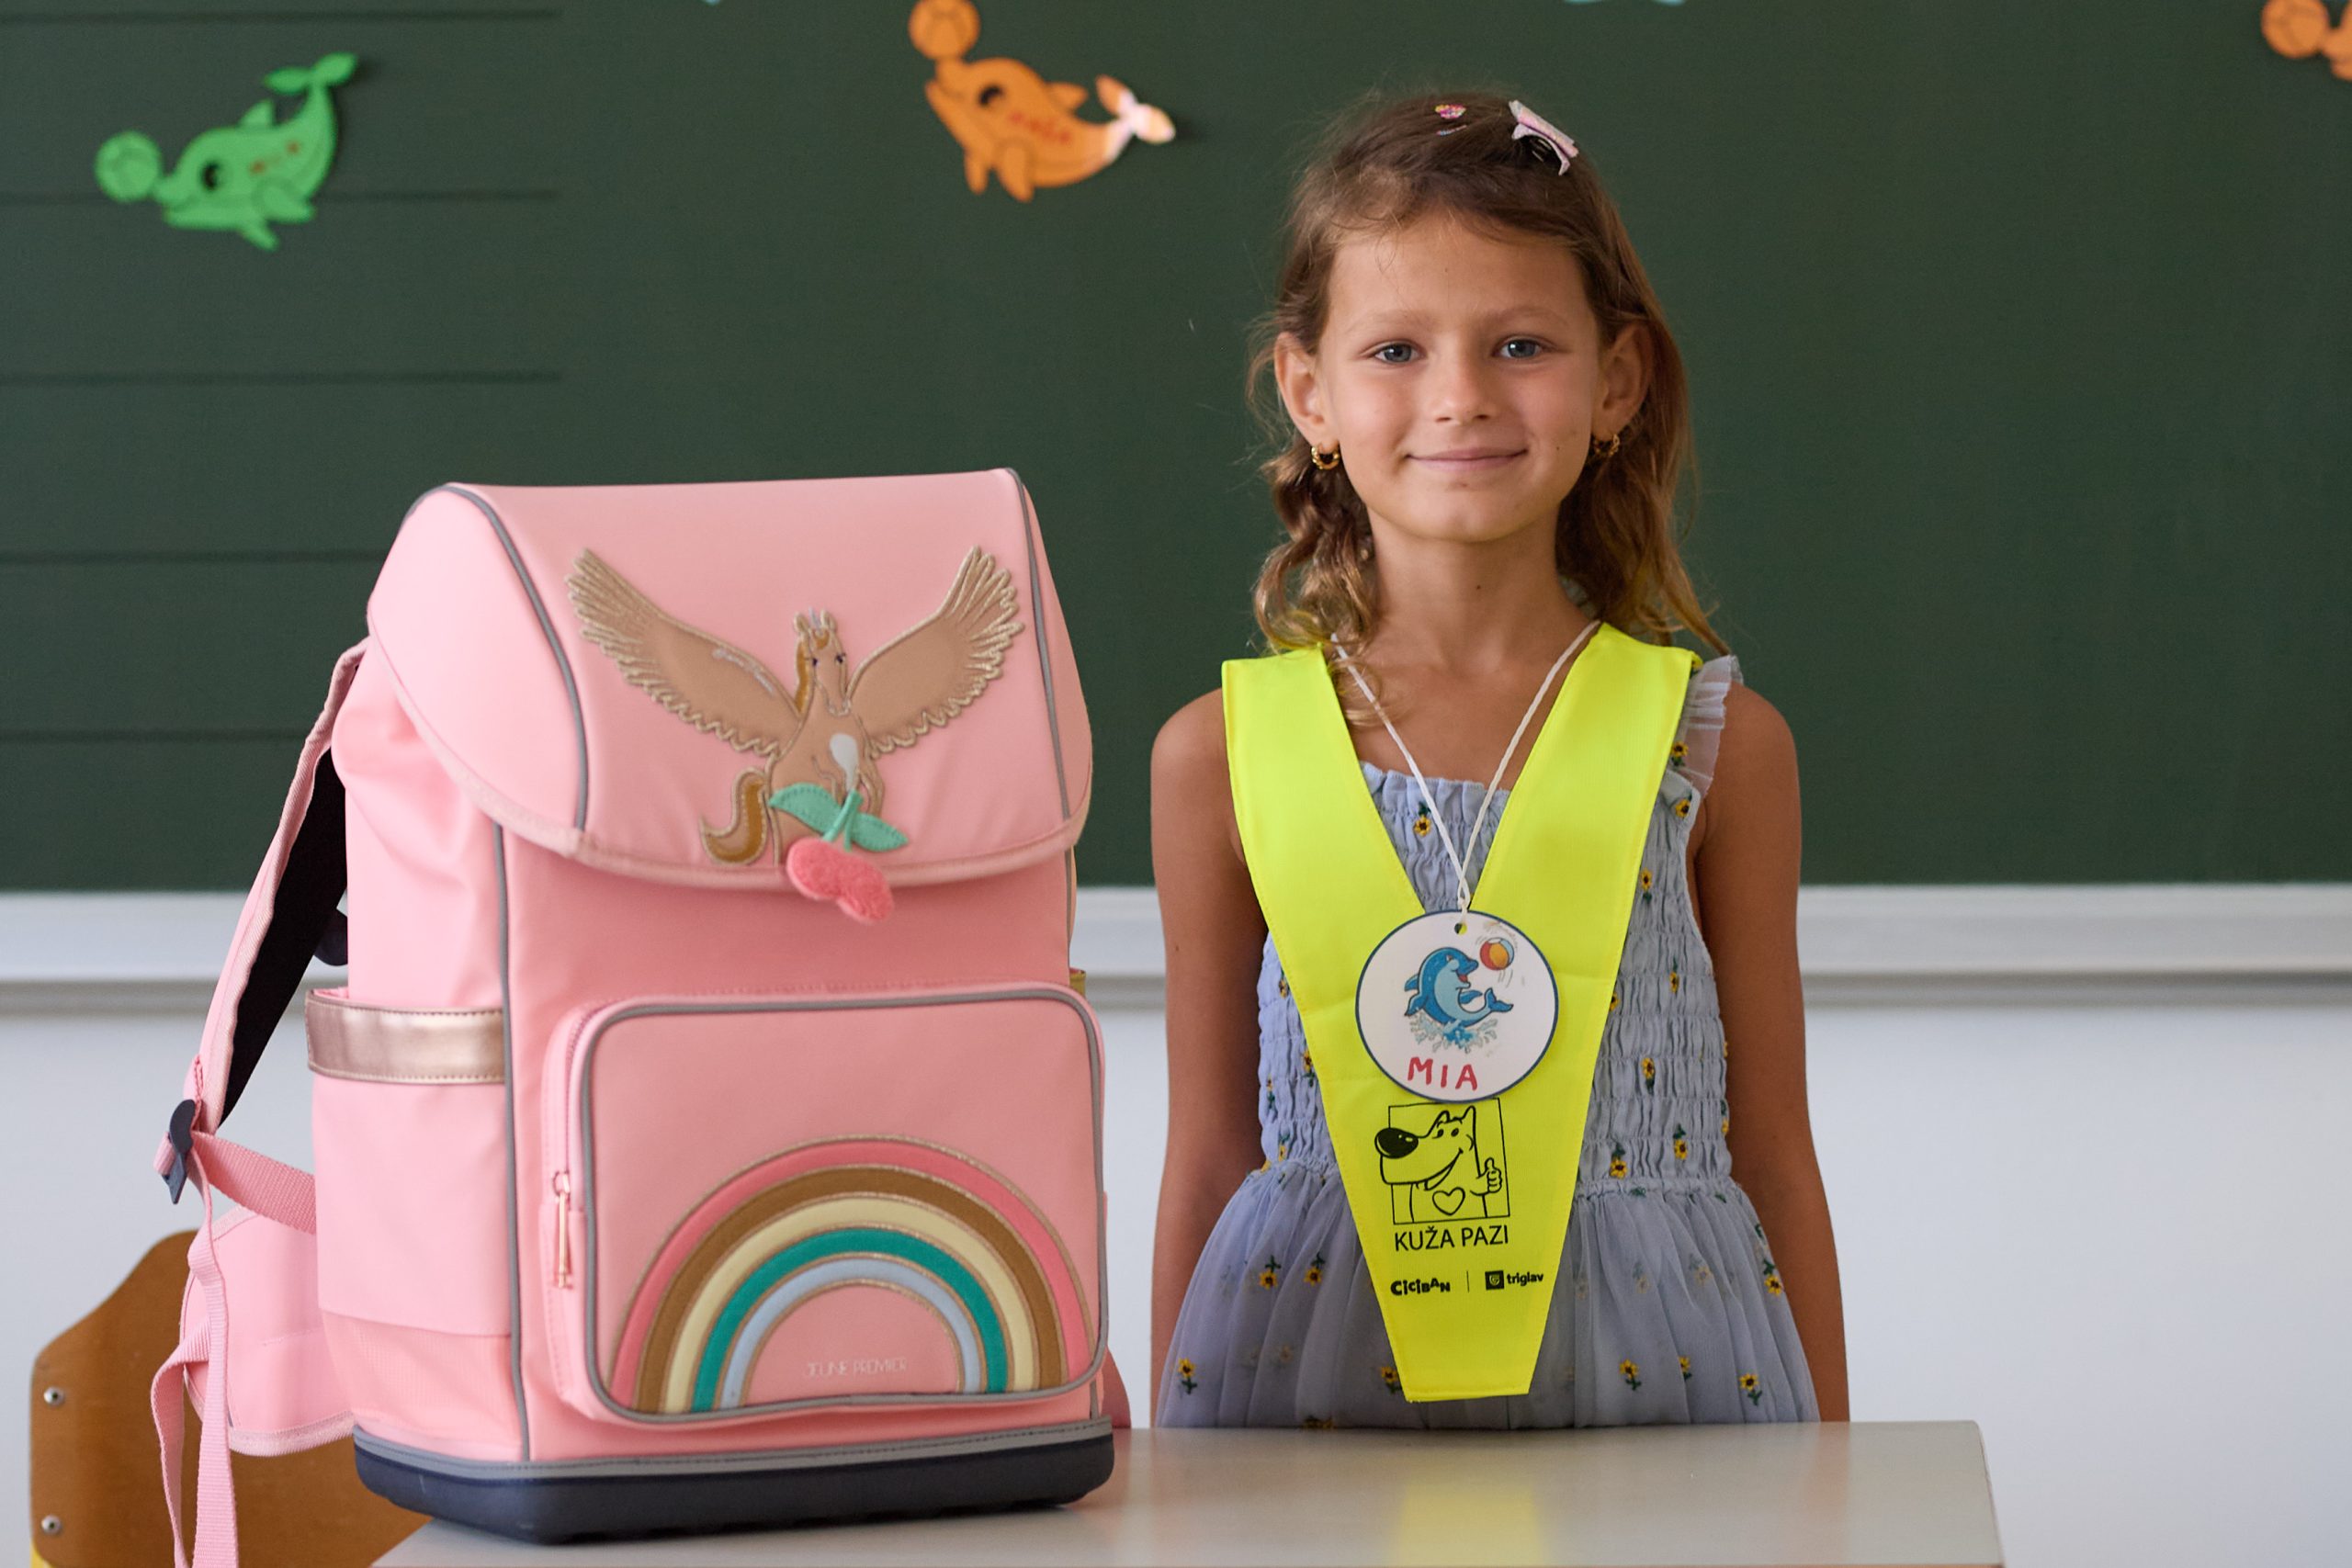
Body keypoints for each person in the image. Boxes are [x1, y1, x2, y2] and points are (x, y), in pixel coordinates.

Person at [1148, 88, 1848, 1428]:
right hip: (1311, 1390)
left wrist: (1836, 1484)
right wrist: (1165, 1496)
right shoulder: (1218, 757)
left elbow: (1774, 1151)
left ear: (1616, 383)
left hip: (1664, 1389)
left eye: (1521, 344)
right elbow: (1210, 1154)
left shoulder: (1716, 745)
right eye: (1395, 349)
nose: (1461, 397)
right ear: (1309, 392)